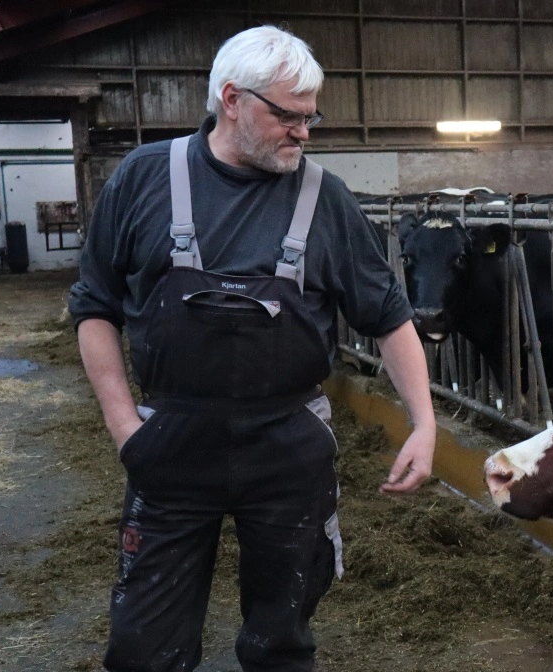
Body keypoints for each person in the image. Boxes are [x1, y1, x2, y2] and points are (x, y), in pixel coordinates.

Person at [68, 25, 435, 672]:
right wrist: (126, 428)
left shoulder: (324, 198)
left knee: (282, 640)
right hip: (171, 440)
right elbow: (94, 308)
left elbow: (389, 317)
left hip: (288, 442)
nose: (304, 132)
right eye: (287, 116)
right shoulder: (142, 179)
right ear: (231, 100)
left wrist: (425, 423)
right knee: (142, 647)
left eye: (310, 115)